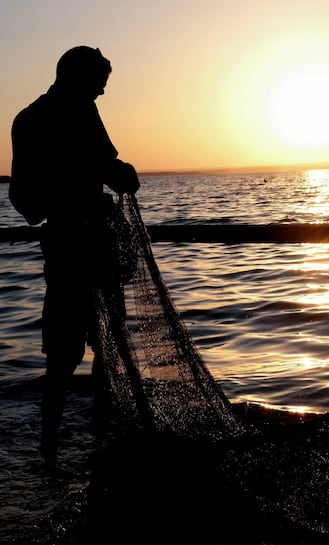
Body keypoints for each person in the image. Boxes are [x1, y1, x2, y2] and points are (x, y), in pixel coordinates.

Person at [9, 46, 140, 463]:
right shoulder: (79, 110)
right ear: (79, 77)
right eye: (99, 83)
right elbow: (113, 172)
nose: (101, 93)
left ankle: (49, 448)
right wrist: (122, 176)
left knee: (61, 358)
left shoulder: (26, 118)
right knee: (107, 348)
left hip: (61, 249)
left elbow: (25, 201)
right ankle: (104, 444)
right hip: (90, 249)